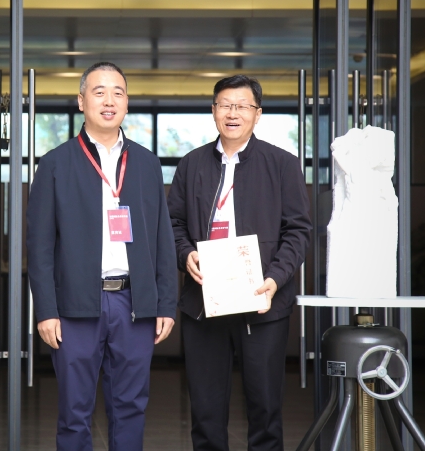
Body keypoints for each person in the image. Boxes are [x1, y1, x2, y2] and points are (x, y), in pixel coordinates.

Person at [27, 61, 178, 451]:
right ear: (81, 101)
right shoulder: (56, 163)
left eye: (118, 93)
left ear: (126, 103)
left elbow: (162, 239)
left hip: (134, 303)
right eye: (99, 92)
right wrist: (46, 310)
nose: (109, 101)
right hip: (75, 305)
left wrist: (165, 303)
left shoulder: (146, 162)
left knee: (130, 407)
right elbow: (39, 247)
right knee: (74, 411)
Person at [167, 75, 311, 451]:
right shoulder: (191, 164)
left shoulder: (282, 164)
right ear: (213, 110)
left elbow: (298, 231)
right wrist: (185, 254)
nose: (233, 113)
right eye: (225, 105)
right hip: (204, 302)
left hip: (262, 301)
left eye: (243, 106)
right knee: (206, 412)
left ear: (257, 114)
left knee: (264, 410)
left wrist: (274, 279)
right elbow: (172, 224)